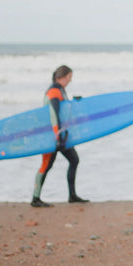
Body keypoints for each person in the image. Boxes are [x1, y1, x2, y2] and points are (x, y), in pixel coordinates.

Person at [32, 65, 88, 208]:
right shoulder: (54, 91)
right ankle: (35, 198)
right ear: (61, 77)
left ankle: (72, 195)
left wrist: (75, 103)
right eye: (69, 77)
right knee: (46, 165)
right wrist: (57, 135)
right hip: (52, 136)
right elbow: (54, 114)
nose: (70, 81)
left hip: (60, 134)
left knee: (73, 160)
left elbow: (64, 111)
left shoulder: (60, 90)